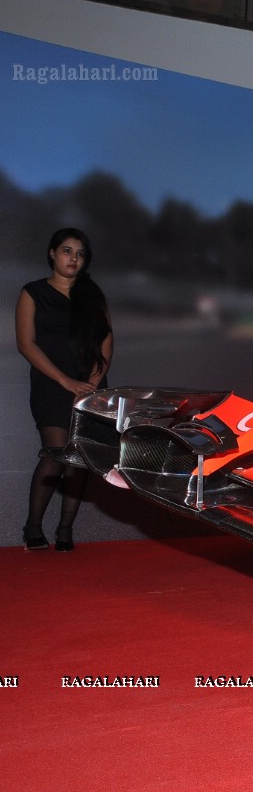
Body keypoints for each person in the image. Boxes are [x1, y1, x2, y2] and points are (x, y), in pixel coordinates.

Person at [15, 228, 113, 552]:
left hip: (88, 388)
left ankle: (65, 529)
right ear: (52, 254)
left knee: (79, 459)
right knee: (56, 453)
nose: (73, 258)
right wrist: (65, 381)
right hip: (51, 385)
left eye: (79, 253)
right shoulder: (33, 293)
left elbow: (106, 341)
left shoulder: (92, 295)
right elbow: (26, 344)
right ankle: (32, 527)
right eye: (67, 251)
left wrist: (93, 386)